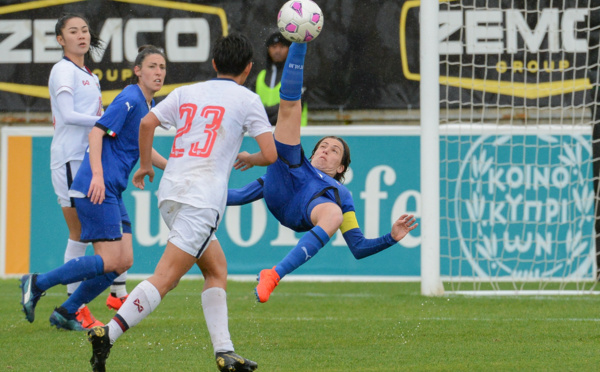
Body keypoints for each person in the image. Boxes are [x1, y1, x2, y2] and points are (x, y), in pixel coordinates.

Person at [87, 33, 277, 372]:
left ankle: (225, 351)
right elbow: (272, 153)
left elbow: (147, 123)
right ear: (248, 69)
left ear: (215, 64)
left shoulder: (187, 91)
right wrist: (251, 156)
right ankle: (109, 333)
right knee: (166, 277)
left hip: (172, 192)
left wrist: (146, 164)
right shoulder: (247, 100)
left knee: (216, 270)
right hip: (201, 199)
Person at [227, 42, 418, 303]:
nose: (326, 150)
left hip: (307, 210)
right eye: (323, 146)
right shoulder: (295, 163)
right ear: (313, 153)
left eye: (334, 150)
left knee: (334, 213)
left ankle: (273, 275)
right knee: (290, 108)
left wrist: (391, 238)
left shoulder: (341, 194)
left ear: (341, 168)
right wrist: (196, 195)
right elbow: (237, 195)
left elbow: (358, 248)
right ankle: (299, 42)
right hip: (284, 185)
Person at [20, 44, 168, 331]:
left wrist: (171, 166)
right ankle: (38, 282)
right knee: (110, 259)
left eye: (162, 67)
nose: (158, 72)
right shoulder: (130, 97)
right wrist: (98, 176)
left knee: (122, 261)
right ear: (137, 71)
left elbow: (140, 146)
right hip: (97, 186)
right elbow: (97, 132)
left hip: (112, 189)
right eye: (152, 66)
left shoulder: (145, 105)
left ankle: (67, 310)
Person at [47, 13, 130, 329]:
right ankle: (74, 308)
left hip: (87, 161)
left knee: (95, 231)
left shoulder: (89, 75)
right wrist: (107, 122)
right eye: (73, 31)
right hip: (70, 160)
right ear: (60, 39)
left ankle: (83, 304)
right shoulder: (62, 70)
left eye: (84, 30)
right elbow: (67, 114)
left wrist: (104, 123)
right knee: (81, 233)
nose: (81, 35)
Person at [253, 32, 308, 126]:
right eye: (274, 46)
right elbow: (252, 109)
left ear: (289, 49)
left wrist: (263, 115)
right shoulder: (259, 77)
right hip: (265, 135)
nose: (277, 51)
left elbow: (291, 108)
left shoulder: (296, 75)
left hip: (293, 134)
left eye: (282, 46)